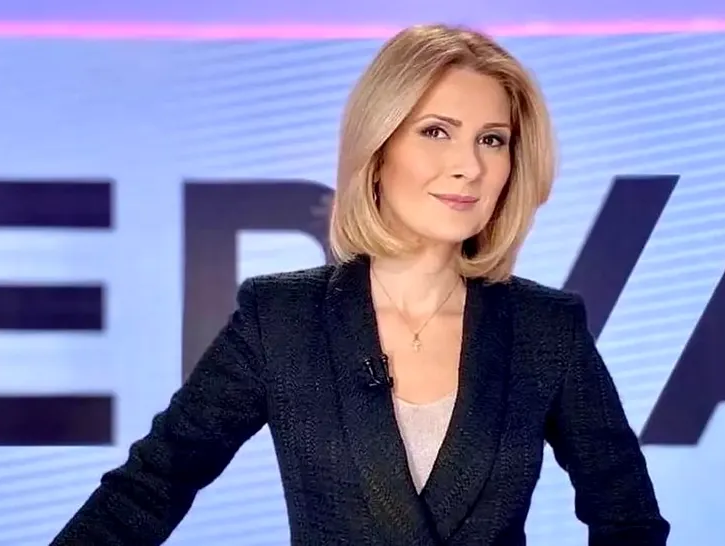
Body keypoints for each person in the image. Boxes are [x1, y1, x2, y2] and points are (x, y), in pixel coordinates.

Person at [51, 24, 669, 546]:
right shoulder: (282, 318)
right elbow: (149, 489)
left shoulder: (545, 328)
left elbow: (629, 518)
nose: (469, 166)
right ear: (379, 149)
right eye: (436, 131)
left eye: (492, 140)